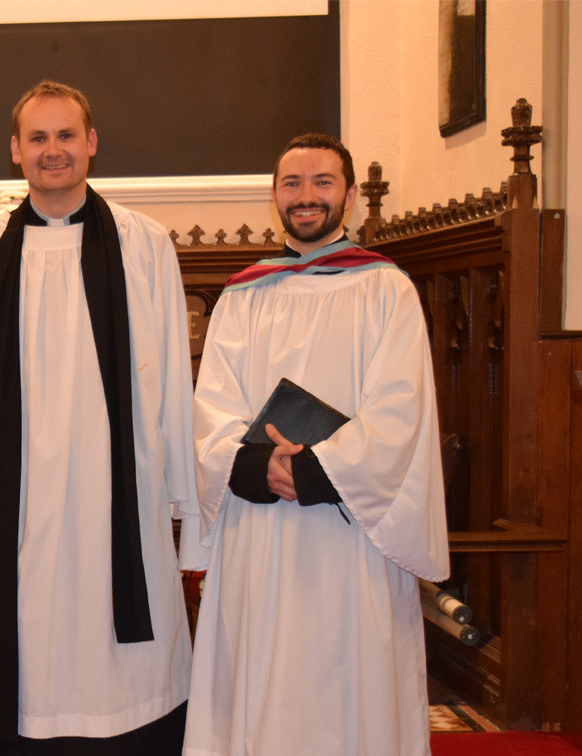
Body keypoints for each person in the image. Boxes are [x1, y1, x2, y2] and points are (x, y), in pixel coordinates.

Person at [0, 80, 201, 754]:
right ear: (15, 152)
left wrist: (181, 495)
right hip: (19, 497)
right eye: (37, 138)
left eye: (65, 136)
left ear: (90, 142)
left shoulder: (144, 243)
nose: (52, 151)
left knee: (124, 658)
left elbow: (173, 371)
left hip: (121, 485)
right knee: (34, 635)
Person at [183, 133, 449, 755]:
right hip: (260, 524)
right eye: (293, 184)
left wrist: (317, 471)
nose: (307, 197)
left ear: (350, 196)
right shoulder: (242, 295)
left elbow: (400, 410)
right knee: (260, 668)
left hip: (349, 527)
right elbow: (212, 406)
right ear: (274, 196)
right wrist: (255, 464)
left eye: (322, 183)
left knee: (346, 674)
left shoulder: (386, 290)